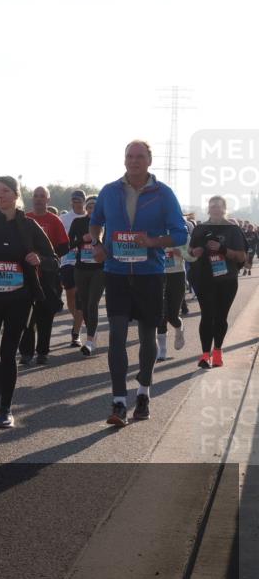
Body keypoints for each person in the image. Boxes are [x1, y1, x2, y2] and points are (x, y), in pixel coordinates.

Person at [88, 140, 187, 426]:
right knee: (117, 336)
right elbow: (96, 221)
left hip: (149, 275)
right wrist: (96, 242)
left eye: (139, 156)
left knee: (147, 339)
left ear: (149, 160)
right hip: (116, 272)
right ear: (124, 160)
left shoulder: (163, 193)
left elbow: (179, 233)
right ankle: (119, 401)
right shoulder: (109, 191)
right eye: (129, 156)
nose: (134, 161)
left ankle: (143, 391)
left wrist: (154, 241)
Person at [0, 176, 55, 428]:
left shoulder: (28, 225)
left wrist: (39, 260)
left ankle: (5, 409)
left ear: (16, 195)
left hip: (19, 298)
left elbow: (53, 259)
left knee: (8, 353)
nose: (0, 195)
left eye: (5, 191)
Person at [188, 196, 248, 368]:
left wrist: (222, 249)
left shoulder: (233, 230)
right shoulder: (200, 228)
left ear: (224, 209)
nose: (214, 208)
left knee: (221, 317)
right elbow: (191, 250)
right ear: (208, 208)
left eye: (218, 206)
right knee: (207, 315)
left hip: (226, 280)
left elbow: (241, 256)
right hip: (203, 278)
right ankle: (205, 355)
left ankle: (218, 352)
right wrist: (195, 252)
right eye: (212, 205)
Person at [18, 186, 69, 365]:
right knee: (25, 316)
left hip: (47, 276)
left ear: (48, 200)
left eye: (42, 196)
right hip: (26, 276)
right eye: (36, 196)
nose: (38, 199)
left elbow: (64, 247)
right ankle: (26, 352)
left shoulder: (54, 220)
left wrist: (46, 256)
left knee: (45, 316)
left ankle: (42, 351)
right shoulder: (25, 219)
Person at [70, 196, 107, 357]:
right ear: (86, 208)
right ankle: (92, 332)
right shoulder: (78, 223)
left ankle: (90, 340)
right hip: (81, 268)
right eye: (89, 206)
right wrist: (81, 240)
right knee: (84, 304)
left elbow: (112, 245)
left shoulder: (106, 223)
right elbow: (69, 243)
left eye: (95, 206)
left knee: (93, 303)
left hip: (100, 269)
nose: (92, 209)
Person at [59, 190, 89, 347]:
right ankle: (77, 319)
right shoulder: (64, 218)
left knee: (80, 295)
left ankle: (76, 329)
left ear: (84, 201)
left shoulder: (90, 217)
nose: (77, 202)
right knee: (70, 294)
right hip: (67, 260)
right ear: (71, 202)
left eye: (79, 200)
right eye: (74, 200)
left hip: (85, 260)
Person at [156, 239, 188, 362]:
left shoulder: (181, 234)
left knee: (172, 316)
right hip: (159, 274)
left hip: (177, 275)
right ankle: (162, 350)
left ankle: (179, 327)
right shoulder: (156, 233)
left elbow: (191, 256)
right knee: (161, 313)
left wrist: (179, 252)